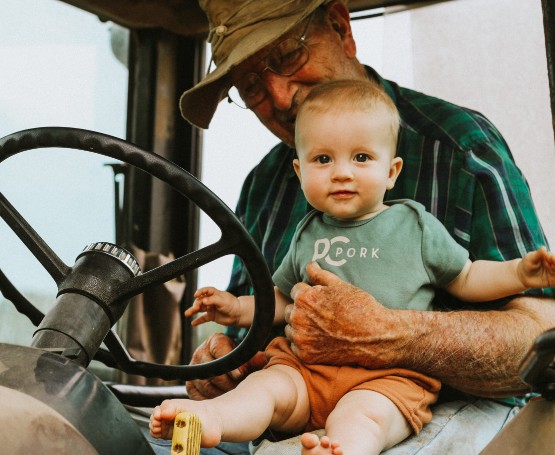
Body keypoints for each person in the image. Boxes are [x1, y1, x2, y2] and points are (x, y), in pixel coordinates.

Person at [162, 0, 555, 453]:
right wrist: (226, 357)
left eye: (288, 56)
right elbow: (262, 313)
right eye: (251, 86)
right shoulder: (263, 186)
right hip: (296, 392)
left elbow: (540, 337)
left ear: (339, 26)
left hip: (411, 404)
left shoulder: (459, 150)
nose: (283, 98)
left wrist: (390, 333)